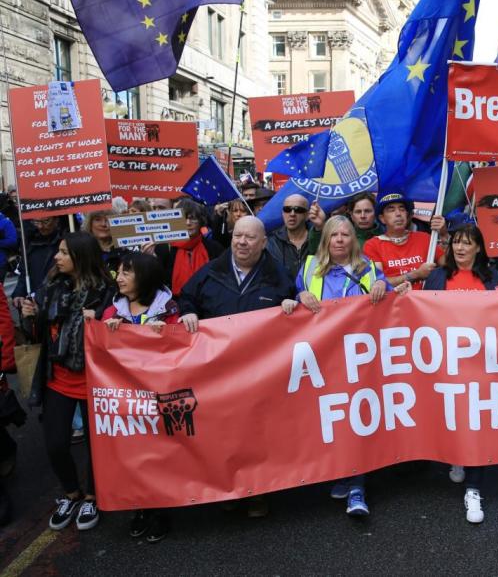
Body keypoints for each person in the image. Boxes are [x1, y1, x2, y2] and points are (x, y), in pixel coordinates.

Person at [178, 216, 298, 518]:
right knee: (222, 434)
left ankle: (258, 492)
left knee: (257, 434)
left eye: (249, 238)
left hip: (259, 374)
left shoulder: (278, 276)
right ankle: (227, 488)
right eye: (237, 236)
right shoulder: (210, 272)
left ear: (262, 243)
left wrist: (291, 305)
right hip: (217, 372)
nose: (242, 242)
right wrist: (188, 313)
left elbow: (293, 305)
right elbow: (186, 298)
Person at [294, 216, 409, 518]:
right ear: (326, 240)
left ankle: (357, 487)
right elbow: (294, 302)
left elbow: (386, 290)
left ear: (353, 240)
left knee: (358, 417)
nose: (341, 240)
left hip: (359, 357)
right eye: (335, 235)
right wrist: (299, 296)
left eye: (346, 234)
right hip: (324, 357)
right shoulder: (308, 268)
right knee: (335, 417)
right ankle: (343, 472)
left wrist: (384, 284)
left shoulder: (368, 268)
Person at [21, 232, 113, 531]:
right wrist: (31, 316)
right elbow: (39, 333)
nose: (57, 257)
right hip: (57, 378)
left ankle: (91, 496)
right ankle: (71, 493)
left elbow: (117, 331)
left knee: (96, 447)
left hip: (93, 379)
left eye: (63, 253)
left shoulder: (107, 292)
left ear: (80, 257)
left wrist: (99, 321)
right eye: (58, 252)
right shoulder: (50, 287)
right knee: (56, 444)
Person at [424, 224, 498, 523]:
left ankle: (473, 488)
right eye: (456, 242)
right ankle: (458, 457)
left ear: (479, 248)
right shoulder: (438, 276)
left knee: (475, 421)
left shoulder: (493, 278)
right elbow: (420, 314)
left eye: (467, 243)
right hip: (447, 362)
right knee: (453, 416)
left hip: (481, 364)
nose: (460, 248)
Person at [102, 252, 179, 542]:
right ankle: (140, 505)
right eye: (118, 272)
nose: (118, 278)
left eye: (126, 272)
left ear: (144, 277)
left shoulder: (168, 308)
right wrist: (107, 331)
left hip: (158, 392)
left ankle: (161, 510)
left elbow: (181, 345)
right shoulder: (112, 311)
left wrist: (166, 332)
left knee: (159, 454)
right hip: (126, 396)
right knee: (133, 454)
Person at [363, 192, 447, 290]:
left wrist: (444, 235)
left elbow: (448, 266)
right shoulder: (372, 245)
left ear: (407, 215)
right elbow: (377, 283)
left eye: (402, 209)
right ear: (382, 219)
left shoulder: (424, 238)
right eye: (391, 210)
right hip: (393, 303)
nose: (398, 214)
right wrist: (416, 274)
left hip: (425, 302)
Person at [152, 200, 224, 297]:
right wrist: (151, 258)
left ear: (201, 221)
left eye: (193, 218)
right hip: (173, 303)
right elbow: (156, 280)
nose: (188, 223)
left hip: (206, 303)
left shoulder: (214, 248)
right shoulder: (164, 248)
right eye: (183, 219)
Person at [13, 217, 64, 310]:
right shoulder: (29, 243)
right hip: (34, 303)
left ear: (56, 220)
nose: (40, 226)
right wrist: (19, 293)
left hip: (58, 302)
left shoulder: (65, 242)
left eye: (46, 221)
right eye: (36, 221)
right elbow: (25, 272)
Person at [307, 192, 378, 254]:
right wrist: (319, 227)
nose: (363, 216)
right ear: (351, 215)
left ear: (375, 213)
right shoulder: (340, 237)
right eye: (358, 212)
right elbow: (318, 253)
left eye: (368, 211)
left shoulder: (386, 235)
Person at [266, 193, 312, 279]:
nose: (292, 214)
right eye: (287, 209)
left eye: (298, 210)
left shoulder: (318, 239)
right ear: (282, 213)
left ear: (307, 215)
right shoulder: (271, 242)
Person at [81, 210, 126, 276]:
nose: (103, 224)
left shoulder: (124, 251)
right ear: (89, 224)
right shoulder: (81, 251)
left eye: (108, 220)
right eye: (98, 219)